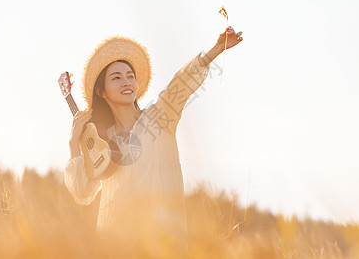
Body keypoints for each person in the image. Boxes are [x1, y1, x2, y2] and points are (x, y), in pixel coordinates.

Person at [64, 27, 243, 256]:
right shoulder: (101, 142)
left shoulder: (159, 119)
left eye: (130, 76)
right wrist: (73, 144)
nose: (126, 82)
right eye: (116, 78)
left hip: (163, 242)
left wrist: (216, 49)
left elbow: (180, 85)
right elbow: (82, 193)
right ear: (102, 91)